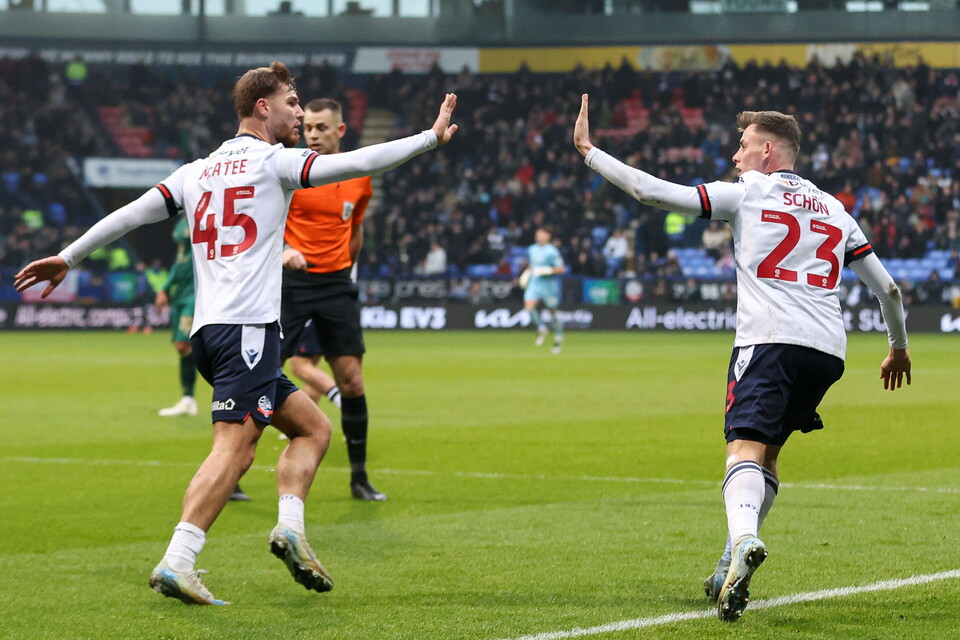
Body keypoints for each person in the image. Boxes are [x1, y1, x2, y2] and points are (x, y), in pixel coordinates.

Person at [15, 62, 458, 605]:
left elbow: (130, 215)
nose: (301, 112)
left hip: (212, 331)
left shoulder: (194, 171)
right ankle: (179, 559)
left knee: (314, 429)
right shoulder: (275, 163)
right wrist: (428, 139)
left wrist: (67, 255)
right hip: (247, 330)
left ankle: (290, 528)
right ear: (263, 108)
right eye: (293, 102)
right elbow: (358, 162)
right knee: (237, 447)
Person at [574, 95, 911, 622]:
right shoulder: (837, 208)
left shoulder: (748, 193)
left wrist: (591, 152)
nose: (736, 155)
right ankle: (732, 555)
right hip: (827, 351)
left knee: (742, 450)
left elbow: (650, 192)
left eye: (743, 144)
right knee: (769, 456)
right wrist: (898, 347)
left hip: (769, 341)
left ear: (768, 151)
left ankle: (746, 541)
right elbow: (888, 290)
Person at [280, 97, 384, 502]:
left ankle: (359, 478)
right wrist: (285, 249)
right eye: (309, 128)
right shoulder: (291, 171)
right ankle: (234, 467)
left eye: (323, 128)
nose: (314, 135)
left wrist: (345, 267)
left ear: (340, 131)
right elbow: (266, 224)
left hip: (336, 283)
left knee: (353, 381)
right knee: (263, 374)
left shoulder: (358, 175)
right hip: (292, 282)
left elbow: (355, 228)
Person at [154, 216, 251, 501]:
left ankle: (202, 397)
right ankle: (188, 398)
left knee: (187, 345)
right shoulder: (180, 223)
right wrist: (165, 286)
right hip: (181, 288)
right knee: (179, 345)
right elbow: (181, 257)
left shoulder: (210, 213)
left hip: (199, 289)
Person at [522, 227, 565, 354]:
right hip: (534, 284)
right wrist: (526, 273)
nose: (538, 236)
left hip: (548, 285)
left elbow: (561, 269)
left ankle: (558, 338)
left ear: (548, 236)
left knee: (553, 313)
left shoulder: (552, 251)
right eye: (537, 234)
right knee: (528, 307)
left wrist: (546, 270)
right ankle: (542, 328)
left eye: (541, 234)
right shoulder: (532, 249)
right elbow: (531, 264)